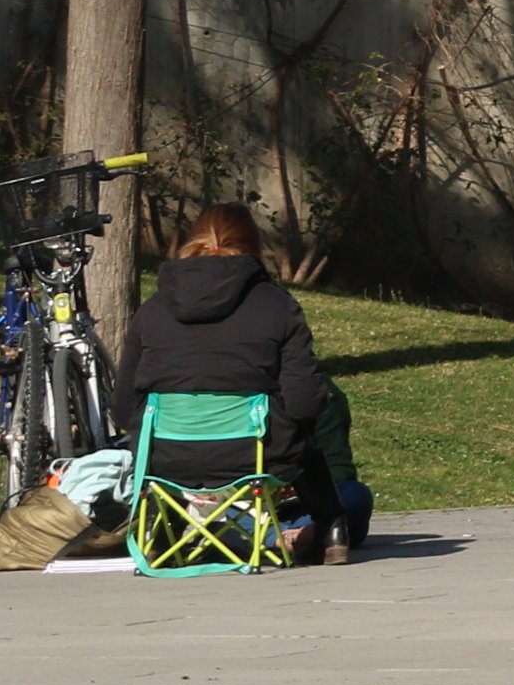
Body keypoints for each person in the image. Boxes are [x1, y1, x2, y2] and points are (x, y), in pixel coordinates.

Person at [115, 201, 368, 565]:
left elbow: (124, 407)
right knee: (304, 439)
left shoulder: (151, 312)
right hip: (255, 457)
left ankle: (162, 532)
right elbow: (303, 402)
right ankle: (331, 527)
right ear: (253, 247)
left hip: (167, 460)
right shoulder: (277, 306)